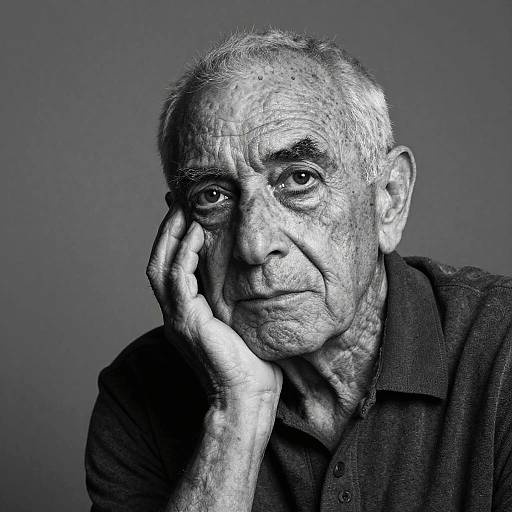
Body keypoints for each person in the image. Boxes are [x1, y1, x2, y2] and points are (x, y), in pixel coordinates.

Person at [85, 29, 512, 512]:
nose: (253, 245)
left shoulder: (502, 351)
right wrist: (236, 411)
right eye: (213, 195)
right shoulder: (139, 393)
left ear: (389, 198)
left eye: (300, 179)